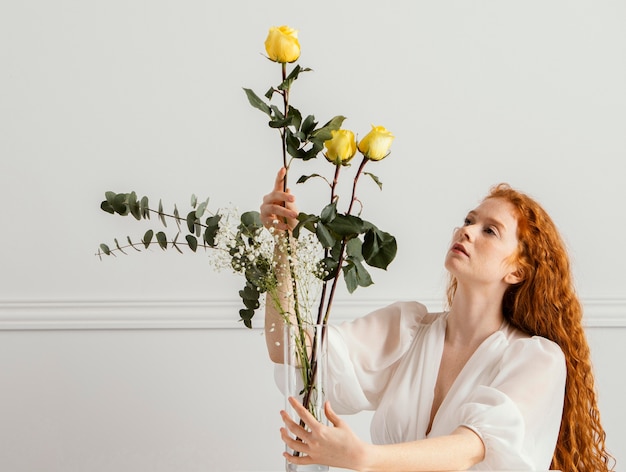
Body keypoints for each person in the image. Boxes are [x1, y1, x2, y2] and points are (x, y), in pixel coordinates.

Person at [260, 168, 614, 471]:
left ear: (518, 271)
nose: (467, 231)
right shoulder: (407, 330)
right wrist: (283, 243)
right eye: (469, 220)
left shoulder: (536, 360)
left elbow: (469, 447)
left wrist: (363, 457)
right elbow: (288, 349)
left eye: (490, 231)